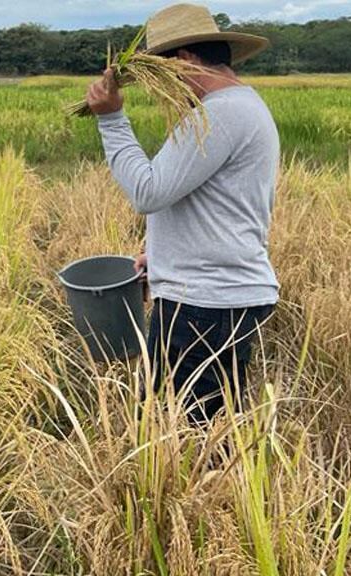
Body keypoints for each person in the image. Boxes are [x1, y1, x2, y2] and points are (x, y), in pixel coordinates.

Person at [85, 3, 279, 423]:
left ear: (185, 61)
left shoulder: (222, 112)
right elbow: (218, 206)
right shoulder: (234, 108)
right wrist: (161, 256)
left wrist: (112, 120)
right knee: (162, 425)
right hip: (203, 296)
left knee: (194, 437)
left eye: (160, 75)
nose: (160, 92)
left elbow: (149, 191)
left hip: (209, 305)